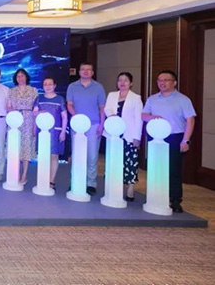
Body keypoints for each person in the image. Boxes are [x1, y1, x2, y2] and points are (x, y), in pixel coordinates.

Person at [142, 70, 196, 213]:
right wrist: (151, 117)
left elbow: (190, 120)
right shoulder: (152, 99)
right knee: (155, 168)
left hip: (175, 137)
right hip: (155, 138)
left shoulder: (183, 99)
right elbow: (143, 115)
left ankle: (175, 200)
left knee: (173, 170)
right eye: (159, 80)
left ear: (174, 82)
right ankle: (155, 196)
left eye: (166, 80)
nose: (162, 83)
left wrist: (186, 140)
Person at [66, 62, 106, 195]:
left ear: (92, 72)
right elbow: (69, 105)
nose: (86, 71)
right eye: (83, 69)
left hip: (94, 125)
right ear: (79, 72)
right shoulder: (72, 86)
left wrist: (102, 124)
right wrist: (77, 118)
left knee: (92, 156)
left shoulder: (98, 87)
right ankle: (75, 181)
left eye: (89, 69)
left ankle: (91, 183)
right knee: (77, 155)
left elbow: (102, 108)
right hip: (77, 125)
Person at [104, 72, 143, 201]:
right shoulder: (112, 95)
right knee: (114, 161)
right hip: (114, 133)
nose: (122, 82)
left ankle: (130, 189)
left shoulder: (136, 98)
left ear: (131, 83)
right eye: (120, 80)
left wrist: (137, 137)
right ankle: (114, 187)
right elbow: (107, 109)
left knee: (130, 162)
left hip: (129, 135)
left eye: (126, 80)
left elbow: (138, 119)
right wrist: (112, 116)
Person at [33, 76, 67, 189]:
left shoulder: (60, 99)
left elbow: (64, 116)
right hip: (42, 131)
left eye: (50, 84)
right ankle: (43, 179)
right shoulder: (39, 98)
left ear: (54, 86)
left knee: (54, 156)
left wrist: (63, 132)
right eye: (45, 84)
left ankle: (51, 181)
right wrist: (39, 114)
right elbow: (34, 113)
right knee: (43, 155)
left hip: (56, 131)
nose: (48, 86)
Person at [7, 68, 38, 185]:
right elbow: (8, 106)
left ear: (26, 77)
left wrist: (35, 126)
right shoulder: (11, 91)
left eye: (22, 76)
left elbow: (36, 108)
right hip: (15, 120)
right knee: (15, 147)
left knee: (26, 147)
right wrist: (13, 113)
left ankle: (24, 174)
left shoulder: (33, 90)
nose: (20, 78)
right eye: (18, 76)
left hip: (29, 120)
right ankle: (14, 172)